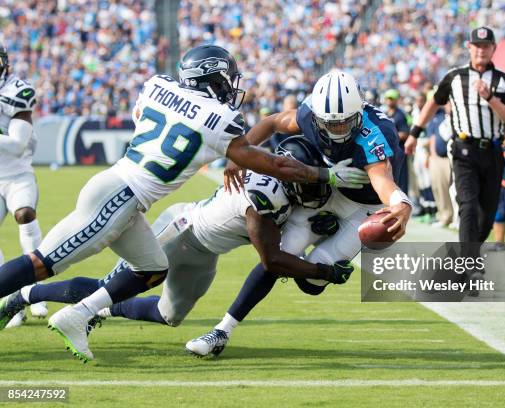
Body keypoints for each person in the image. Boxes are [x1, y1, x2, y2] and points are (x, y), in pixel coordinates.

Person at [0, 45, 366, 360]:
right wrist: (324, 177)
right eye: (226, 79)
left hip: (127, 194)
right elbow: (270, 170)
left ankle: (78, 315)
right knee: (43, 263)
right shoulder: (222, 122)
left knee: (152, 271)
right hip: (128, 196)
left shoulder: (157, 86)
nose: (231, 87)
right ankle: (37, 300)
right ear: (214, 79)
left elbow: (143, 119)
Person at [0, 138, 354, 335]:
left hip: (205, 252)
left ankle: (100, 310)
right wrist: (324, 272)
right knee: (110, 285)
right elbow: (272, 259)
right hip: (182, 230)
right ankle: (26, 293)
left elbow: (278, 124)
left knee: (167, 315)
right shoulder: (265, 195)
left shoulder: (284, 192)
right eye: (307, 179)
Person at [186, 70, 412, 357]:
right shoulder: (309, 114)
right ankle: (222, 330)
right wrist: (239, 154)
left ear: (358, 113)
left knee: (312, 282)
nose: (338, 130)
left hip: (366, 207)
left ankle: (324, 243)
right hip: (331, 192)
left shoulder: (375, 134)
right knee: (279, 257)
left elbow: (382, 181)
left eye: (344, 123)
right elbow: (271, 123)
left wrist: (401, 204)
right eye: (331, 123)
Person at [404, 27, 505, 287]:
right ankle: (470, 268)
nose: (481, 50)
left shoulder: (504, 81)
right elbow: (433, 103)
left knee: (487, 215)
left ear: (493, 49)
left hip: (492, 150)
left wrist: (490, 98)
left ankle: (466, 260)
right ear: (469, 47)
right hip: (463, 149)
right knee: (467, 205)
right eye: (476, 45)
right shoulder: (454, 77)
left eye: (486, 45)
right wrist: (414, 133)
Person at [0, 44, 46, 326]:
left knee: (24, 214)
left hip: (17, 175)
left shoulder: (16, 91)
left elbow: (17, 145)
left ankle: (35, 290)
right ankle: (10, 300)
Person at [383, 89, 410, 193]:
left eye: (392, 99)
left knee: (401, 178)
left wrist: (389, 136)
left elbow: (405, 134)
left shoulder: (400, 115)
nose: (390, 101)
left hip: (399, 152)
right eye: (388, 99)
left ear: (396, 100)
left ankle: (404, 203)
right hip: (389, 153)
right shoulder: (384, 114)